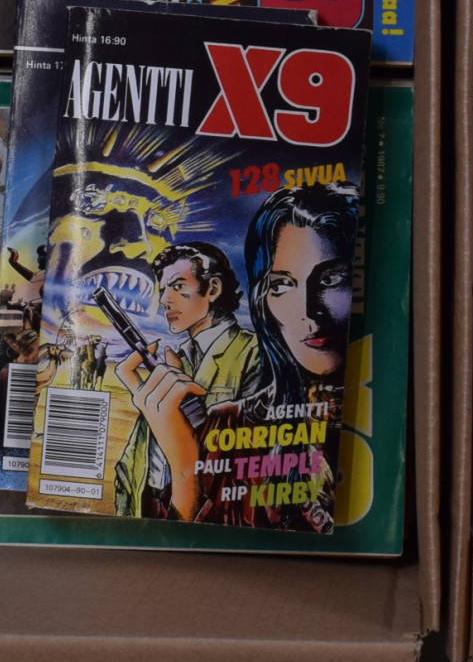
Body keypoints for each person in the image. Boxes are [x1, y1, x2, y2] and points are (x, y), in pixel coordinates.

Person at [118, 183, 358, 529]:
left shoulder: (251, 356)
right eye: (281, 284)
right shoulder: (204, 395)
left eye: (331, 279)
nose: (307, 311)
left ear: (213, 289)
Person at [112, 243, 261, 518]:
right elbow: (136, 461)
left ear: (213, 289)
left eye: (178, 286)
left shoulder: (254, 353)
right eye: (163, 290)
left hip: (206, 513)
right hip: (150, 508)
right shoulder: (175, 361)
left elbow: (251, 466)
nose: (165, 301)